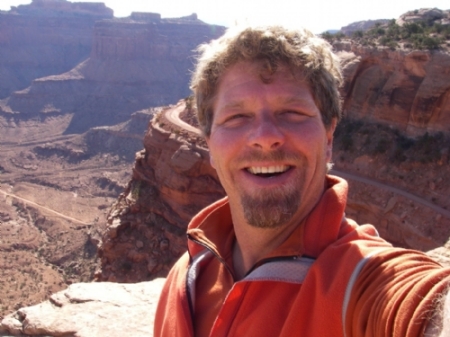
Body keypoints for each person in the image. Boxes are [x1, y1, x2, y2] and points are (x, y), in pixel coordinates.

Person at [154, 24, 450, 337]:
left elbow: (423, 305)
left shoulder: (360, 283)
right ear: (210, 145)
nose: (265, 137)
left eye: (292, 112)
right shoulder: (188, 275)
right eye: (236, 117)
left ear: (329, 137)